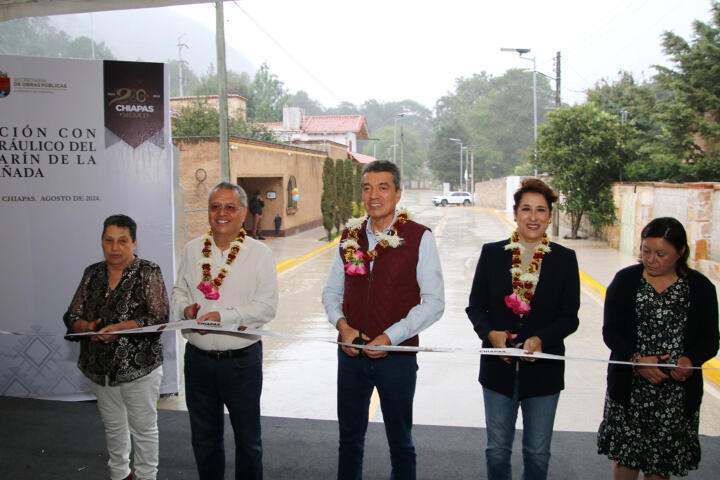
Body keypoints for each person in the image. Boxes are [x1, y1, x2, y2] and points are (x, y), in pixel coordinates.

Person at [322, 160, 445, 480]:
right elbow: (332, 292)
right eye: (367, 188)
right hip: (350, 355)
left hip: (398, 358)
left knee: (401, 442)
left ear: (398, 193)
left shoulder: (420, 237)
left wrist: (393, 336)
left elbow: (433, 303)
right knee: (349, 440)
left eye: (382, 187)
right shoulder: (349, 236)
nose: (373, 195)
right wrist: (342, 327)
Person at [466, 178, 580, 480]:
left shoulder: (565, 260)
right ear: (515, 213)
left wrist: (541, 339)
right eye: (526, 209)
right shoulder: (493, 254)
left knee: (538, 452)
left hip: (544, 372)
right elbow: (475, 308)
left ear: (550, 216)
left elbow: (570, 317)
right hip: (497, 370)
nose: (533, 217)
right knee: (497, 450)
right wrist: (492, 335)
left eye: (541, 210)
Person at [597, 217, 719, 479]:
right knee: (626, 460)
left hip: (675, 396)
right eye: (645, 250)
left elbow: (710, 339)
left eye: (661, 254)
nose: (651, 259)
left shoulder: (700, 287)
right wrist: (636, 359)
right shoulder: (625, 281)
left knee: (660, 467)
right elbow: (611, 332)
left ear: (681, 252)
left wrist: (690, 360)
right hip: (630, 391)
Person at [172, 182, 278, 480]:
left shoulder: (259, 254)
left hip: (241, 362)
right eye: (215, 206)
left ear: (243, 212)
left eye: (230, 207)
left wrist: (224, 317)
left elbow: (266, 308)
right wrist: (185, 309)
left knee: (248, 442)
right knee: (204, 440)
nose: (221, 213)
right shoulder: (193, 249)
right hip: (198, 362)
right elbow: (179, 291)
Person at [64, 214, 169, 480]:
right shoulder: (93, 273)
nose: (115, 247)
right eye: (109, 240)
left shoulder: (148, 272)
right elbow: (71, 315)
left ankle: (146, 476)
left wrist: (120, 329)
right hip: (99, 365)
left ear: (134, 243)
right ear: (101, 242)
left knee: (143, 429)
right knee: (113, 426)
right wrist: (86, 327)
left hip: (139, 367)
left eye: (122, 241)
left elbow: (159, 317)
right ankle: (120, 474)